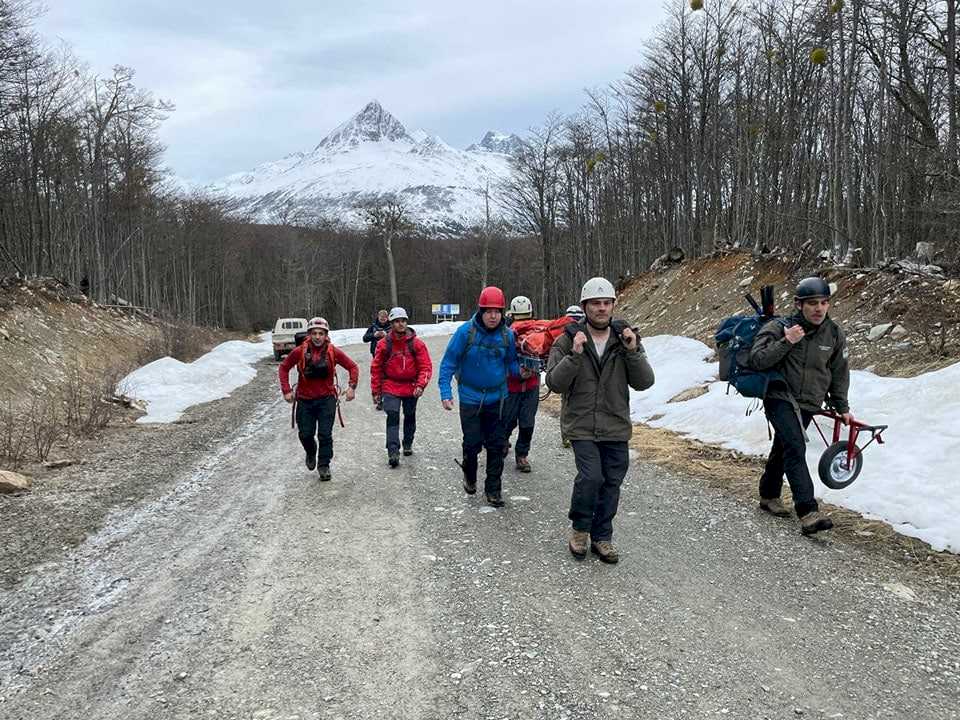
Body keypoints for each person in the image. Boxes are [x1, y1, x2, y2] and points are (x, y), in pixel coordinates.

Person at [546, 277, 655, 564]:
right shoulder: (567, 340)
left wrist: (633, 351)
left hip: (615, 424)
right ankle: (581, 530)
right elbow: (554, 383)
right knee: (591, 477)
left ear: (613, 306)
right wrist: (575, 355)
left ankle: (603, 536)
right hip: (581, 424)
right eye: (596, 303)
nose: (602, 309)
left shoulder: (625, 339)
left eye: (607, 303)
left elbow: (645, 382)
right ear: (585, 307)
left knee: (612, 482)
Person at [749, 277, 851, 536]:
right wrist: (787, 341)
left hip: (809, 402)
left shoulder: (834, 333)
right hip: (780, 398)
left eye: (824, 302)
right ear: (798, 304)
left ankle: (768, 495)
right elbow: (758, 360)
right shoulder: (780, 327)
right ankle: (808, 512)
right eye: (812, 303)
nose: (819, 308)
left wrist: (842, 406)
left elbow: (839, 372)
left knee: (784, 447)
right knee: (795, 446)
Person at [438, 286, 524, 507]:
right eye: (488, 311)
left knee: (497, 445)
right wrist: (445, 391)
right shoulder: (465, 333)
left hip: (498, 398)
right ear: (481, 311)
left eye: (497, 311)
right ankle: (470, 474)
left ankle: (493, 490)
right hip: (470, 398)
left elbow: (511, 363)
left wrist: (522, 372)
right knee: (472, 443)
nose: (493, 316)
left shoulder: (507, 334)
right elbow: (448, 363)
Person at [279, 317, 359, 481]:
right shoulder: (299, 351)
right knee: (305, 434)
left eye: (321, 333)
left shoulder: (333, 351)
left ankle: (324, 465)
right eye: (314, 333)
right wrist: (286, 390)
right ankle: (310, 451)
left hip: (326, 400)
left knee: (325, 434)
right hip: (304, 400)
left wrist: (351, 387)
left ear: (326, 335)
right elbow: (284, 367)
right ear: (309, 334)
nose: (317, 337)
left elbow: (352, 366)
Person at [371, 307, 433, 467]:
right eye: (397, 321)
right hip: (390, 385)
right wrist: (376, 391)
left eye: (403, 321)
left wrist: (421, 385)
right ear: (391, 324)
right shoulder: (384, 345)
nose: (401, 324)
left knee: (410, 415)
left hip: (411, 385)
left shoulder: (417, 344)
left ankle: (407, 442)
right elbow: (376, 368)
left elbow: (425, 366)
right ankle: (393, 451)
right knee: (392, 415)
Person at [503, 295, 539, 473]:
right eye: (520, 317)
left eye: (527, 316)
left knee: (528, 422)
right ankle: (503, 442)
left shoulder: (538, 332)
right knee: (508, 420)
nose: (524, 322)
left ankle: (522, 455)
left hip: (531, 385)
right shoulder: (505, 334)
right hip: (511, 385)